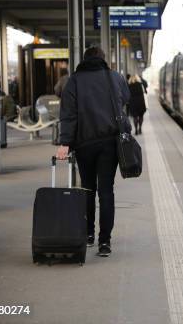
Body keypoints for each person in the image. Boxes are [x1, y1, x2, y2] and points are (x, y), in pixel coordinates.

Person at [56, 46, 131, 257]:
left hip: (84, 144)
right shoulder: (114, 77)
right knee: (106, 191)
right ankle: (105, 242)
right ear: (103, 59)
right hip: (109, 143)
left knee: (87, 189)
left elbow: (68, 114)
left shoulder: (74, 81)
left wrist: (65, 143)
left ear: (84, 60)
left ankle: (88, 234)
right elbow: (125, 98)